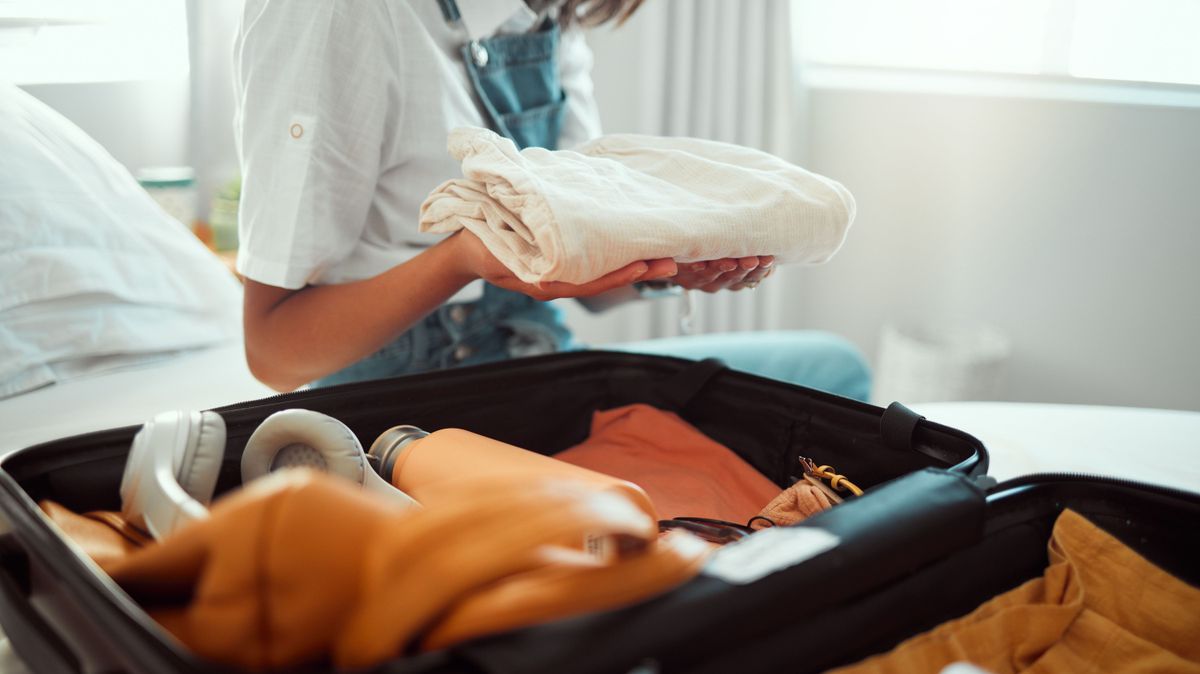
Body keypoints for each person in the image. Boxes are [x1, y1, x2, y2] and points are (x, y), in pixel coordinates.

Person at [233, 0, 870, 400]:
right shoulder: (329, 14)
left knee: (834, 369)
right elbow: (274, 351)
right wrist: (462, 258)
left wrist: (672, 266)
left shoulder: (544, 11)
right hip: (407, 396)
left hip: (538, 357)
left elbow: (581, 271)